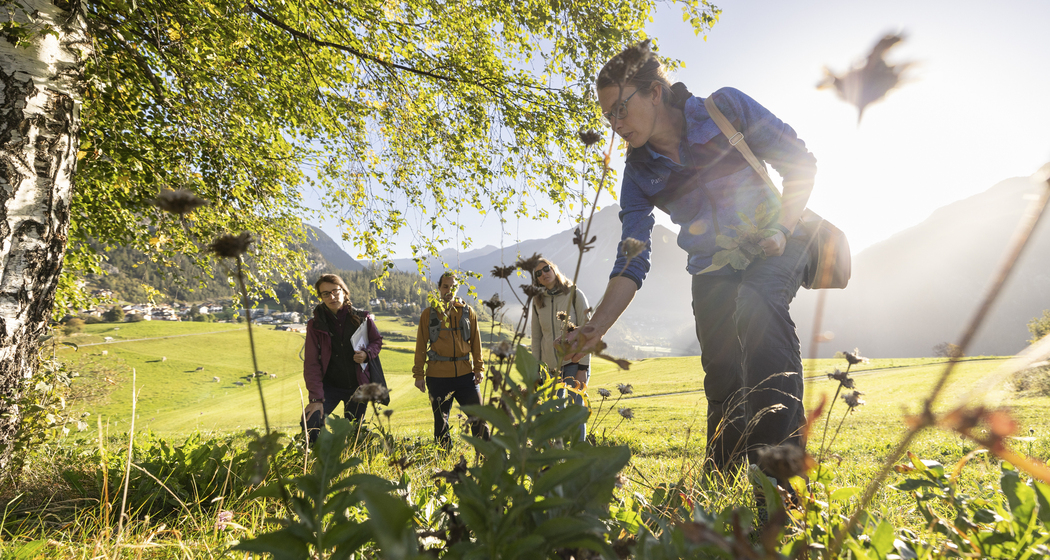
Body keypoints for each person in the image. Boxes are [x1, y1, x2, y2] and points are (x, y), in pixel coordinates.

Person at [569, 43, 818, 473]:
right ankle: (720, 475)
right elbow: (633, 256)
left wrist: (781, 228)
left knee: (757, 307)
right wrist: (596, 327)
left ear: (655, 93)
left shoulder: (725, 109)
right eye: (608, 116)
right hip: (711, 267)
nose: (616, 124)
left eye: (622, 109)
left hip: (776, 242)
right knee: (721, 373)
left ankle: (780, 476)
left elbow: (800, 163)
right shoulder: (638, 173)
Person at [303, 274, 383, 433]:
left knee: (354, 430)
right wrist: (316, 399)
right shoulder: (315, 324)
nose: (331, 296)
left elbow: (377, 341)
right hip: (328, 387)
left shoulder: (362, 317)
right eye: (326, 293)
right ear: (321, 297)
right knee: (311, 423)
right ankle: (318, 455)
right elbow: (311, 363)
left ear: (344, 292)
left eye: (335, 291)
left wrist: (367, 354)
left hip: (357, 386)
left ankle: (350, 454)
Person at [413, 272, 485, 449]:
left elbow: (476, 342)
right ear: (439, 288)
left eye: (453, 287)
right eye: (445, 286)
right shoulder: (428, 314)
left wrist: (479, 368)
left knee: (479, 417)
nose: (449, 290)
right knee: (441, 423)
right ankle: (443, 459)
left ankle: (488, 457)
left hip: (465, 375)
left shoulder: (468, 312)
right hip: (437, 377)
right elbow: (421, 345)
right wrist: (418, 375)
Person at [531, 258, 591, 441]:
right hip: (549, 366)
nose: (543, 274)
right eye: (538, 273)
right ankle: (558, 453)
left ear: (554, 269)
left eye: (546, 269)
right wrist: (536, 369)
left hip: (573, 362)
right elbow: (536, 337)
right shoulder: (537, 301)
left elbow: (588, 330)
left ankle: (578, 452)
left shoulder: (574, 294)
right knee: (554, 411)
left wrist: (583, 367)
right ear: (536, 279)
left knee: (575, 411)